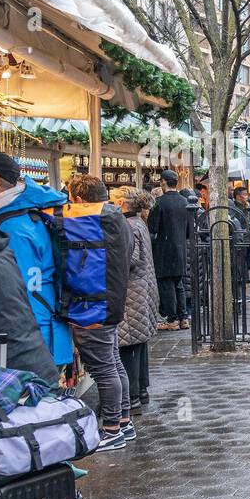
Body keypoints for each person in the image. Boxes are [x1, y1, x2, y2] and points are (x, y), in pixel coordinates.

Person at [0, 150, 72, 374]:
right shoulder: (21, 215)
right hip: (41, 338)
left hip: (31, 345)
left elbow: (16, 293)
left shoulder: (11, 228)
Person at [66, 174, 134, 453]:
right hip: (109, 302)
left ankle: (112, 429)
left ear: (80, 201)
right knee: (113, 363)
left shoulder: (92, 223)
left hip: (93, 306)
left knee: (104, 369)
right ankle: (124, 420)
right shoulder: (117, 219)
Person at [112, 187, 159, 412]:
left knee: (129, 344)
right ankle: (140, 390)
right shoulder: (139, 223)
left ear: (122, 203)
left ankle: (131, 396)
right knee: (138, 343)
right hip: (142, 289)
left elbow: (129, 259)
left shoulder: (128, 226)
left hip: (132, 291)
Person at [147, 168, 192, 330]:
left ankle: (172, 320)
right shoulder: (185, 202)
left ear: (163, 182)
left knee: (166, 285)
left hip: (164, 249)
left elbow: (152, 228)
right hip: (180, 247)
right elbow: (189, 230)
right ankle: (183, 317)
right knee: (178, 283)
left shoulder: (159, 202)